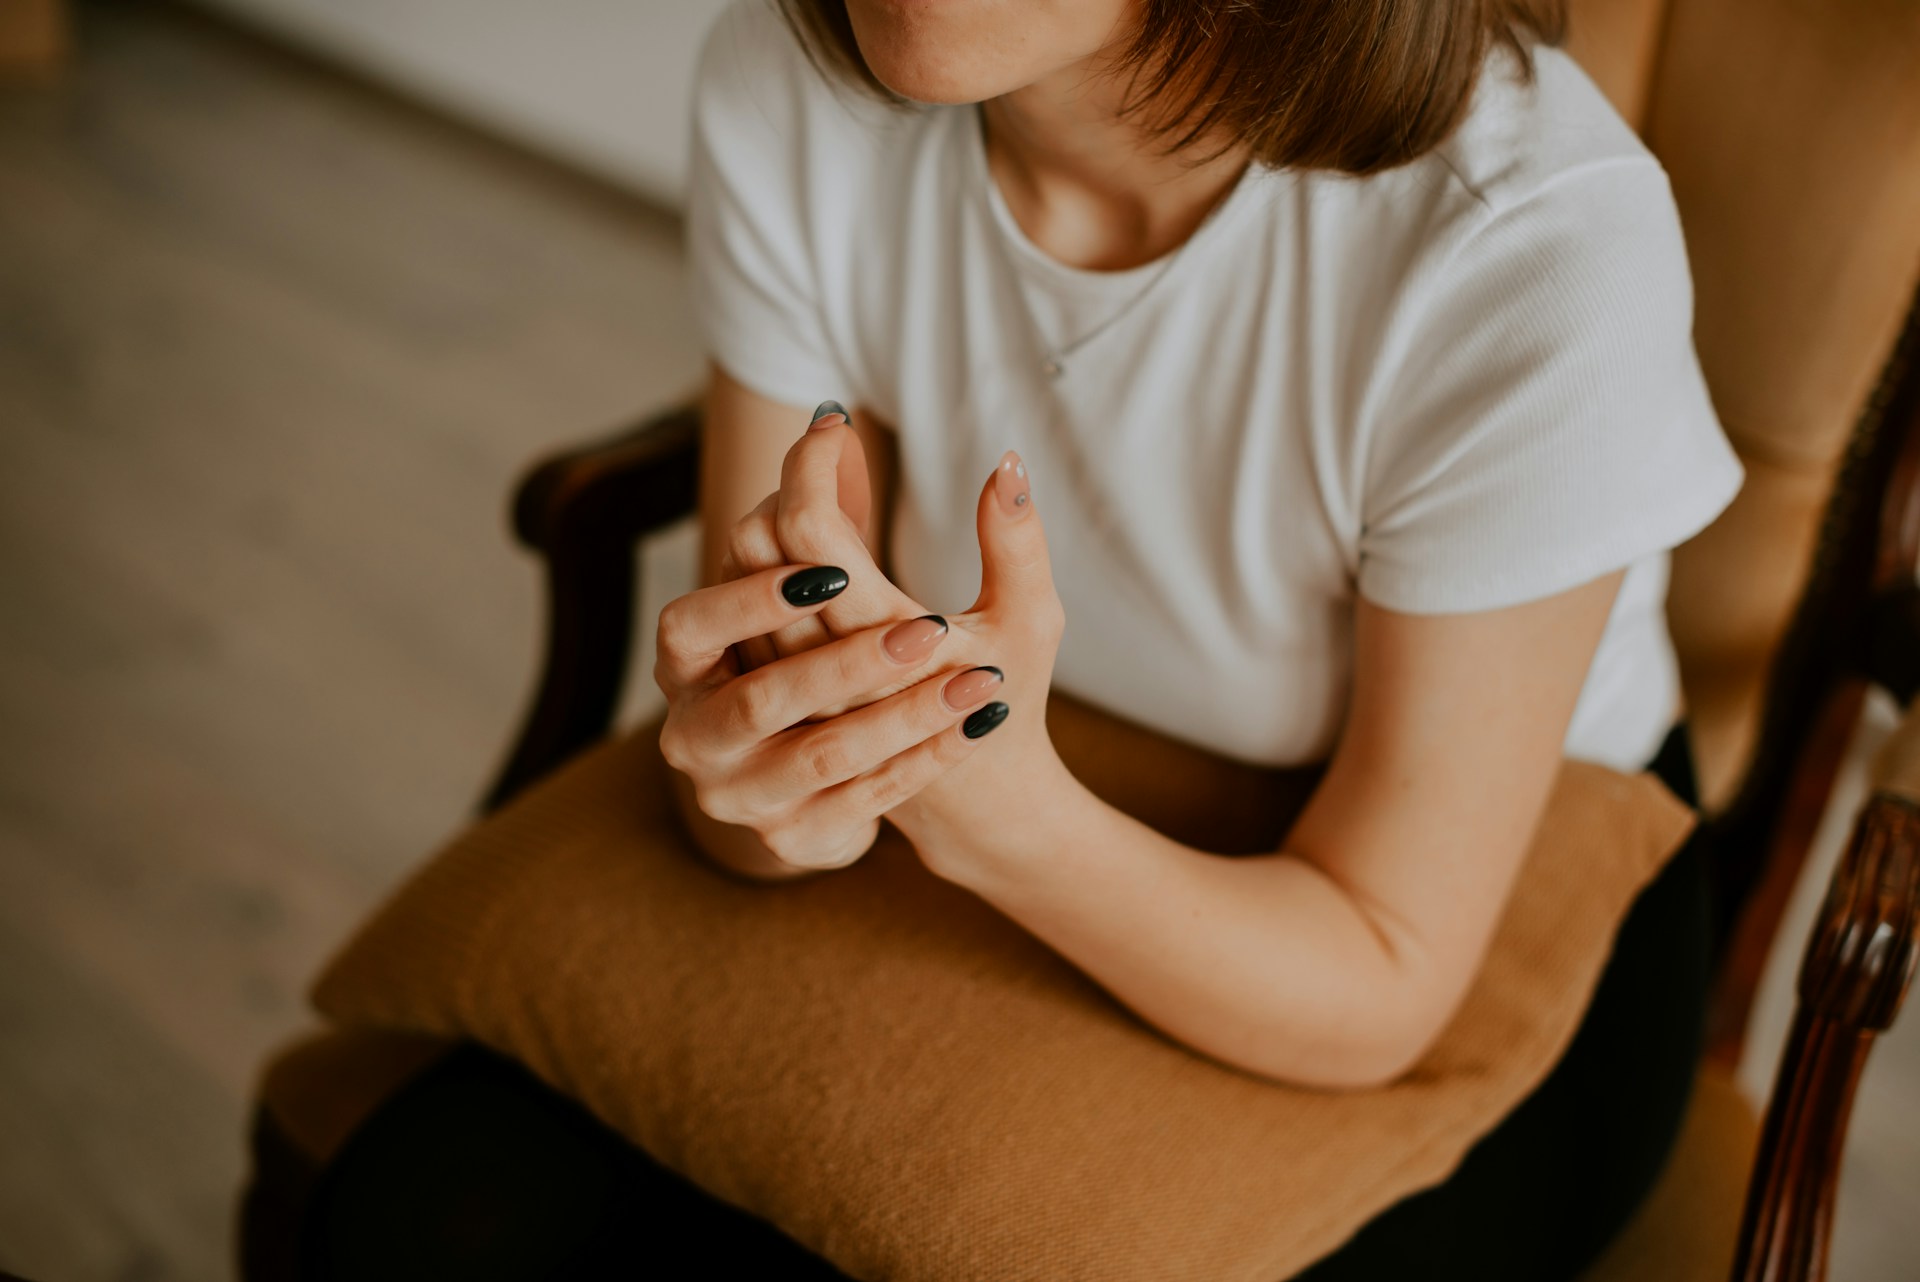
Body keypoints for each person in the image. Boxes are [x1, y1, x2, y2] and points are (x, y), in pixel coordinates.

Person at [306, 0, 1745, 1277]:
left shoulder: (1531, 246)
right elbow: (761, 804)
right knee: (418, 1218)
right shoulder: (790, 79)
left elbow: (1379, 976)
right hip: (1009, 792)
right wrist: (774, 789)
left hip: (1450, 927)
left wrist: (1007, 820)